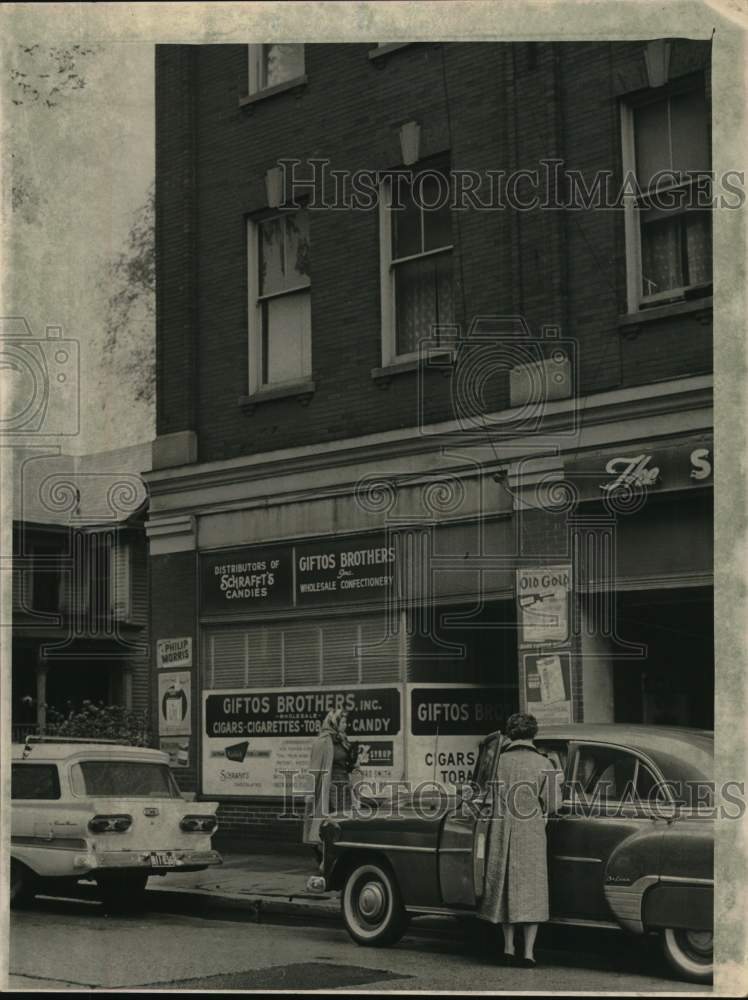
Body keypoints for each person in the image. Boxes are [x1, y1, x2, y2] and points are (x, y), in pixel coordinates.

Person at [479, 712, 564, 968]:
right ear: (533, 734)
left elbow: (485, 795)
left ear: (510, 733)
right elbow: (553, 804)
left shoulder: (498, 761)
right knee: (532, 890)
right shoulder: (545, 763)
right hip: (531, 833)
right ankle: (528, 953)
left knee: (505, 886)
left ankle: (507, 947)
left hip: (502, 829)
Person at [302, 708, 361, 861]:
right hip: (330, 788)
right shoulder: (323, 741)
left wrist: (355, 762)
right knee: (332, 821)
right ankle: (323, 854)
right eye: (343, 722)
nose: (346, 725)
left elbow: (348, 765)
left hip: (345, 786)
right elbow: (314, 768)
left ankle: (338, 855)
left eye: (346, 722)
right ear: (334, 723)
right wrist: (309, 793)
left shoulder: (343, 740)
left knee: (345, 820)